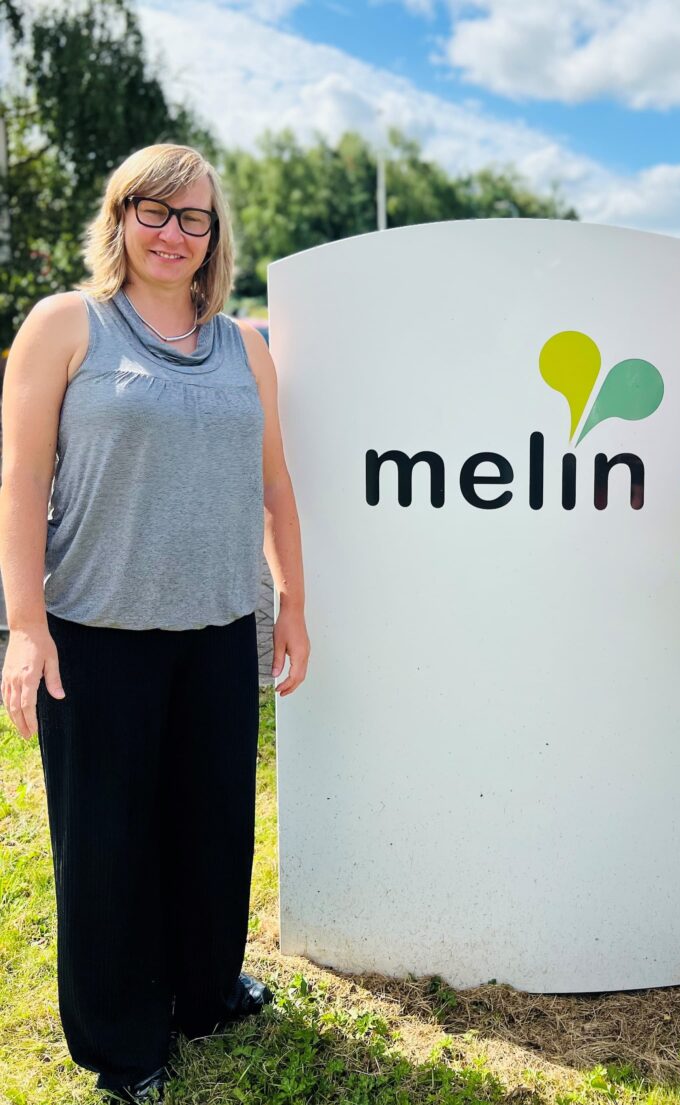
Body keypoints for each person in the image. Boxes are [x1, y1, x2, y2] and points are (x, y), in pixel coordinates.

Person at [0, 144, 310, 1103]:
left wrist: (292, 599)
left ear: (215, 235)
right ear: (120, 215)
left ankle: (206, 990)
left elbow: (273, 482)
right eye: (155, 211)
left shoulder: (244, 344)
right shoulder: (66, 325)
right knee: (106, 842)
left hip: (219, 625)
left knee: (213, 825)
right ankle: (123, 1043)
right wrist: (23, 623)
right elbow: (18, 480)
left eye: (194, 218)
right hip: (93, 628)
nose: (173, 233)